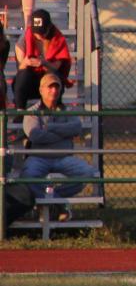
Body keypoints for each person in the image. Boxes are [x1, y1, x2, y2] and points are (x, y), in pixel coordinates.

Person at [19, 73, 92, 204]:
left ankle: (54, 200)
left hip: (63, 157)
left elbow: (76, 127)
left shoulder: (67, 110)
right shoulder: (31, 112)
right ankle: (59, 204)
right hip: (38, 157)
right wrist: (64, 134)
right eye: (50, 87)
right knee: (27, 177)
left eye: (57, 87)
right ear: (41, 90)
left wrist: (51, 127)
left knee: (87, 173)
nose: (54, 91)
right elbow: (35, 136)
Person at [14, 10, 71, 108]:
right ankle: (20, 110)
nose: (39, 35)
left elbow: (56, 67)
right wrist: (26, 62)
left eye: (42, 32)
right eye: (36, 32)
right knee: (23, 74)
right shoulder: (24, 38)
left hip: (48, 77)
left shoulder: (58, 39)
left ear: (49, 28)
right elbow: (20, 67)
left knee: (53, 76)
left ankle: (55, 105)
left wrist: (43, 63)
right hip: (31, 81)